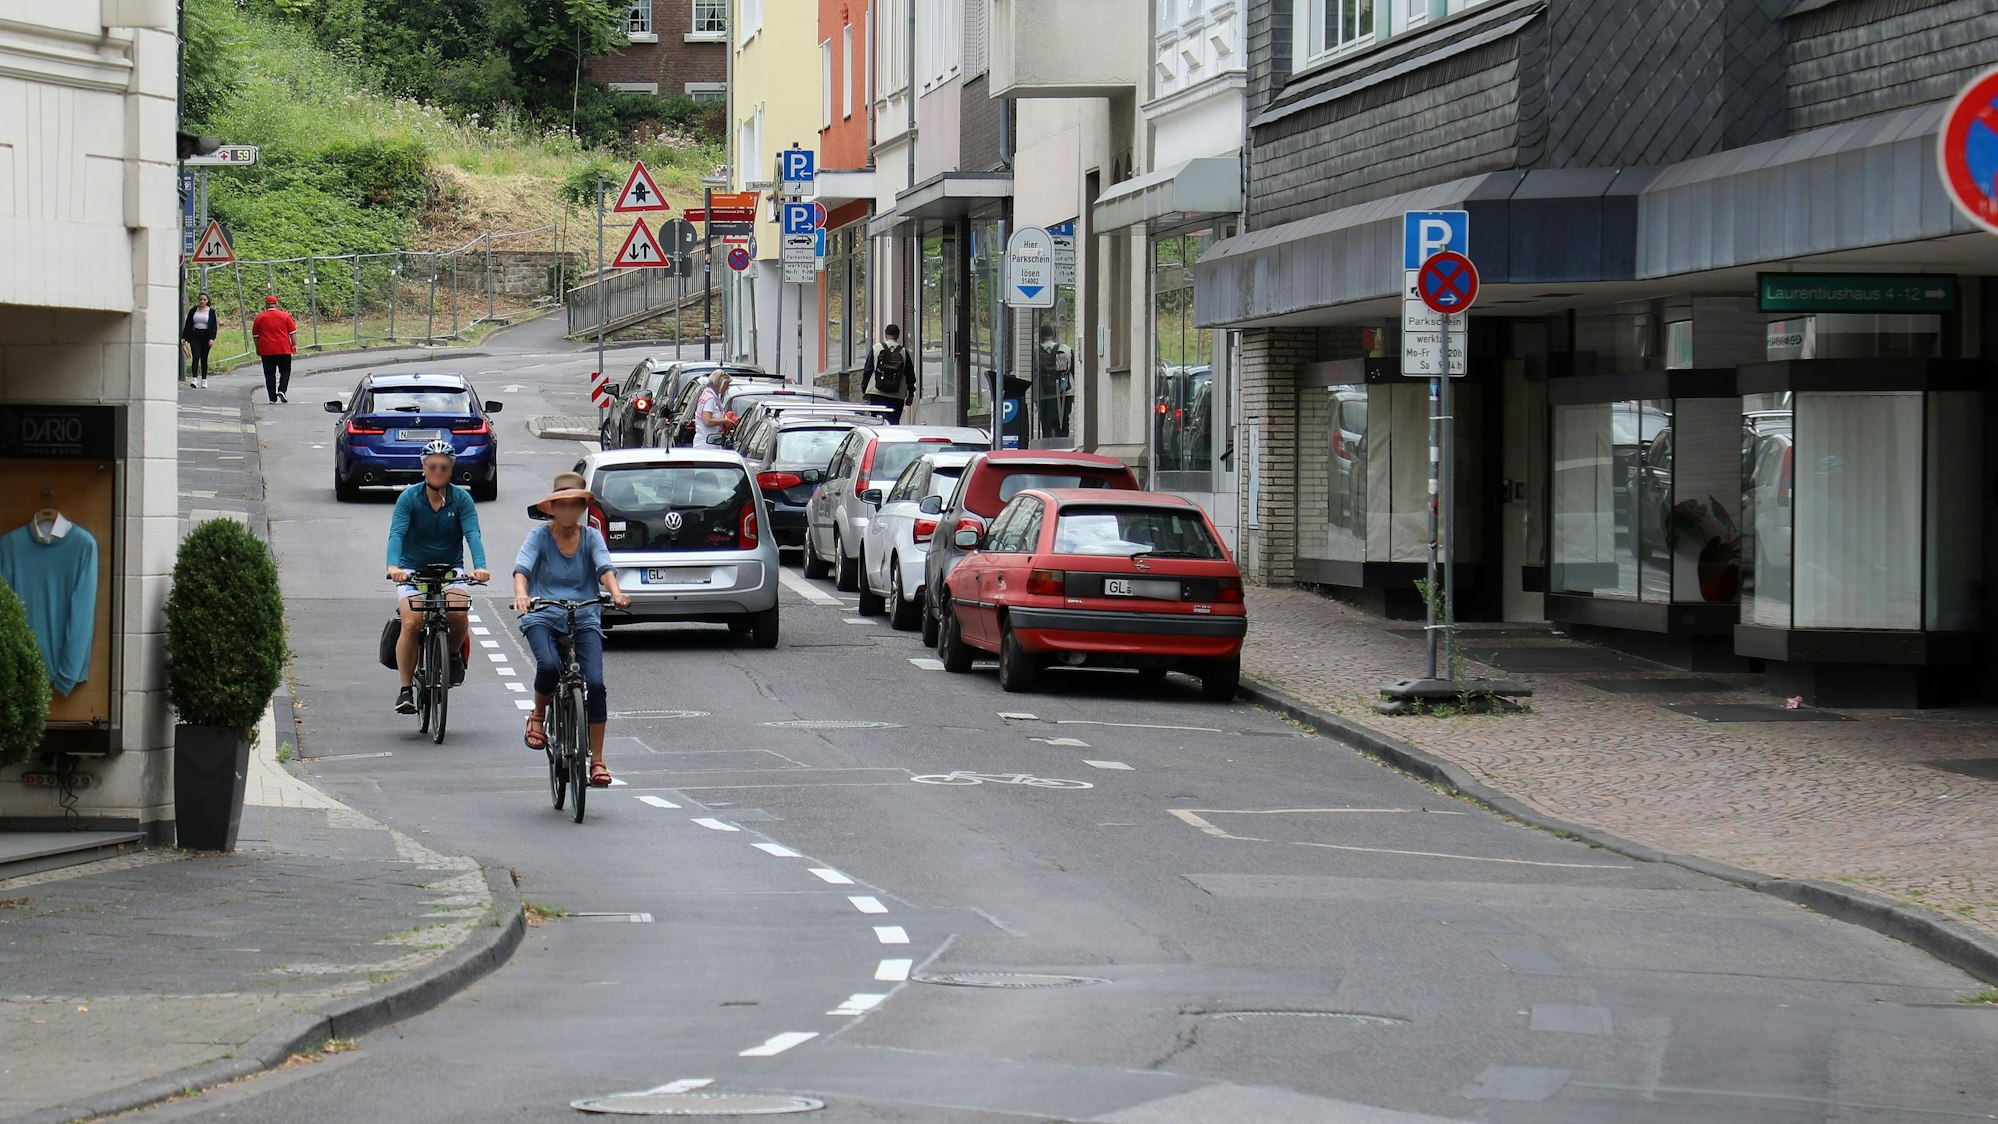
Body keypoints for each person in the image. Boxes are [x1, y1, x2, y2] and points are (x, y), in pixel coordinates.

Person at [512, 472, 629, 788]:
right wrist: (522, 595)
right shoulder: (538, 537)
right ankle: (538, 716)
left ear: (581, 507)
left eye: (574, 504)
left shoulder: (591, 537)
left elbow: (605, 568)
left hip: (584, 616)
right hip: (543, 615)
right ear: (552, 508)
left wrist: (616, 593)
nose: (568, 510)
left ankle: (598, 761)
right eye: (561, 504)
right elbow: (522, 570)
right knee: (550, 666)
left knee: (596, 684)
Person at [385, 440, 490, 714]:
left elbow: (472, 534)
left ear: (451, 470)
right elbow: (397, 534)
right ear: (424, 468)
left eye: (444, 467)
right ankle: (405, 690)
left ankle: (452, 655)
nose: (438, 471)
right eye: (432, 466)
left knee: (458, 611)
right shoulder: (409, 498)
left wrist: (480, 566)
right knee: (411, 622)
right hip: (412, 571)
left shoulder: (462, 499)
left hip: (449, 569)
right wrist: (393, 566)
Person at [861, 323, 915, 424]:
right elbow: (910, 375)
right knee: (893, 423)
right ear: (898, 335)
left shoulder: (876, 348)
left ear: (885, 335)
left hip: (877, 393)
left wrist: (865, 390)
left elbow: (868, 371)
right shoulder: (903, 352)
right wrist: (910, 394)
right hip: (897, 395)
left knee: (875, 423)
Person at [252, 294, 298, 403]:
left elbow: (255, 335)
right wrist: (294, 344)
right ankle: (282, 390)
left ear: (266, 305)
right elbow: (292, 332)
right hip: (283, 349)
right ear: (276, 304)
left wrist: (258, 348)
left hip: (266, 350)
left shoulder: (260, 318)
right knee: (285, 370)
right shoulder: (285, 316)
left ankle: (272, 398)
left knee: (269, 374)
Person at [1034, 324, 1074, 438]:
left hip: (1044, 395)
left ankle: (1048, 444)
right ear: (1053, 335)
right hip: (1064, 393)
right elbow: (1070, 372)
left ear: (1040, 336)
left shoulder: (1036, 352)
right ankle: (1062, 444)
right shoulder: (1064, 349)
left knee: (1046, 425)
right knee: (1063, 423)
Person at [181, 293, 218, 389]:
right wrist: (184, 337)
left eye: (204, 300)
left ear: (207, 301)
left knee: (204, 358)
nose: (202, 301)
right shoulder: (194, 310)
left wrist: (212, 338)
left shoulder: (211, 312)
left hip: (206, 336)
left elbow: (214, 327)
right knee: (196, 356)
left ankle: (204, 379)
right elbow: (188, 324)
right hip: (195, 335)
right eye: (200, 299)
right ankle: (194, 379)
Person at [692, 369, 735, 447]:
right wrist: (724, 421)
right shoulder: (710, 399)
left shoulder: (709, 394)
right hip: (707, 443)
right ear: (721, 384)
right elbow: (707, 421)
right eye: (727, 384)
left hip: (708, 441)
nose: (728, 388)